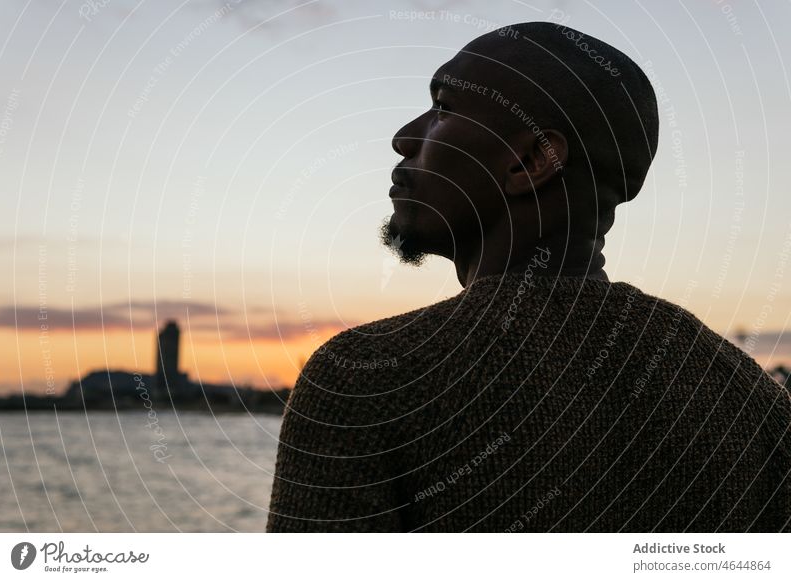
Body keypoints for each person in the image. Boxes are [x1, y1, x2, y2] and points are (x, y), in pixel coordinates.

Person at [267, 22, 791, 532]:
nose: (404, 137)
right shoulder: (755, 403)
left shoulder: (367, 377)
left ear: (530, 161)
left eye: (443, 107)